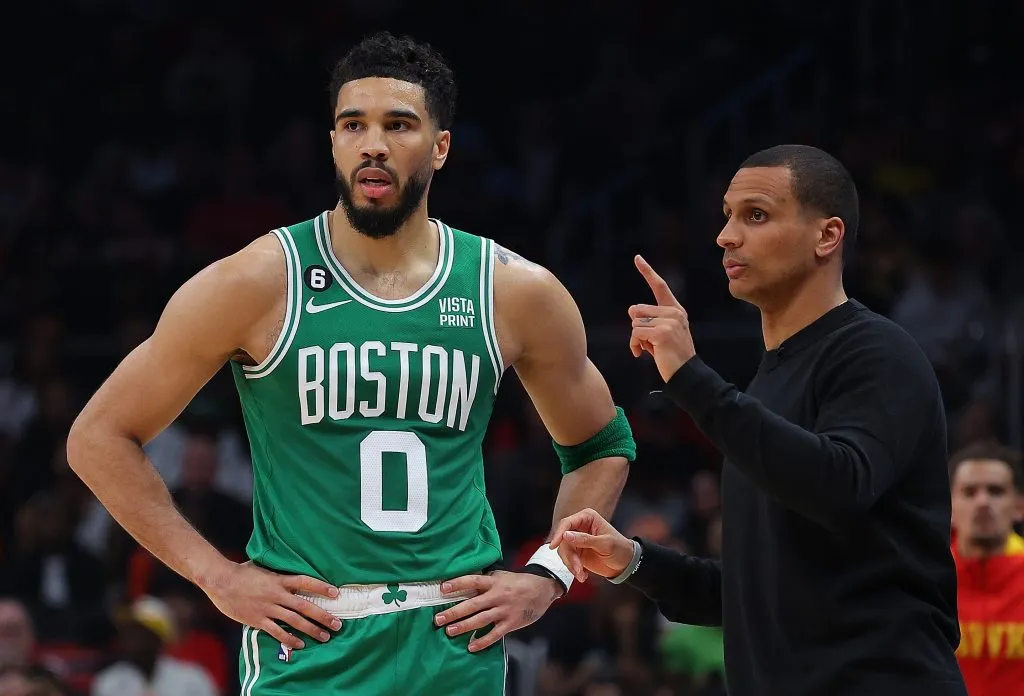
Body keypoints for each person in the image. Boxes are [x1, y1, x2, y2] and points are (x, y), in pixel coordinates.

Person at [66, 31, 635, 696]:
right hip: (309, 643)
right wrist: (215, 576)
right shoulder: (256, 281)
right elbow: (97, 438)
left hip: (452, 643)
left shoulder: (513, 290)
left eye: (399, 125)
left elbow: (602, 444)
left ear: (441, 146)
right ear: (332, 142)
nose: (374, 143)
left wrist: (549, 576)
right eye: (353, 124)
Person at [551, 144, 967, 695]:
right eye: (726, 215)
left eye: (756, 215)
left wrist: (690, 376)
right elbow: (756, 594)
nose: (725, 236)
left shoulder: (878, 353)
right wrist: (633, 560)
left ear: (827, 236)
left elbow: (838, 485)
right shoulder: (768, 382)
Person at [948, 440, 1024, 694]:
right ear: (948, 506)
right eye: (969, 492)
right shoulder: (924, 579)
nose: (982, 502)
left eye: (995, 491)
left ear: (1019, 506)